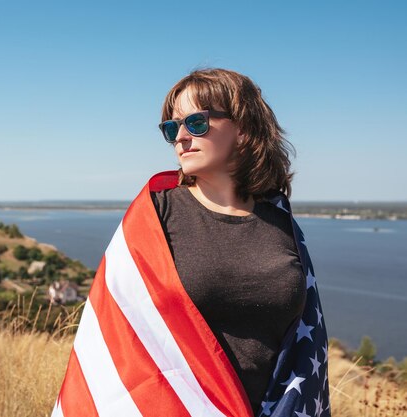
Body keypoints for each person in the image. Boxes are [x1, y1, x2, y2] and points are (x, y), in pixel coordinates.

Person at [51, 68, 330, 417]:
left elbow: (303, 343)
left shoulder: (282, 223)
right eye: (172, 127)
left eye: (196, 122)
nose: (181, 136)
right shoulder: (154, 216)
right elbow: (114, 335)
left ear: (243, 129)